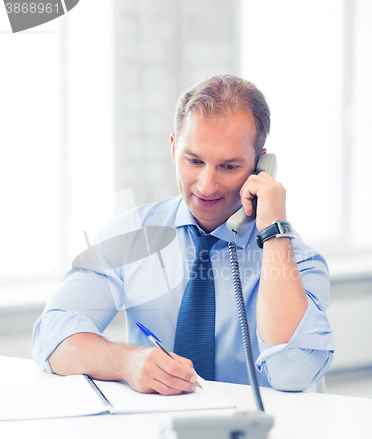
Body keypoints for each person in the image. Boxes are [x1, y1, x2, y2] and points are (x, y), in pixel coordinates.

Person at [32, 75, 334, 395]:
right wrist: (125, 361)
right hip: (159, 430)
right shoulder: (131, 235)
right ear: (174, 148)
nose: (206, 185)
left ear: (261, 165)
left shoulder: (296, 259)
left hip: (265, 436)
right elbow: (51, 335)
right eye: (194, 160)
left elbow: (294, 374)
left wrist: (274, 231)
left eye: (229, 166)